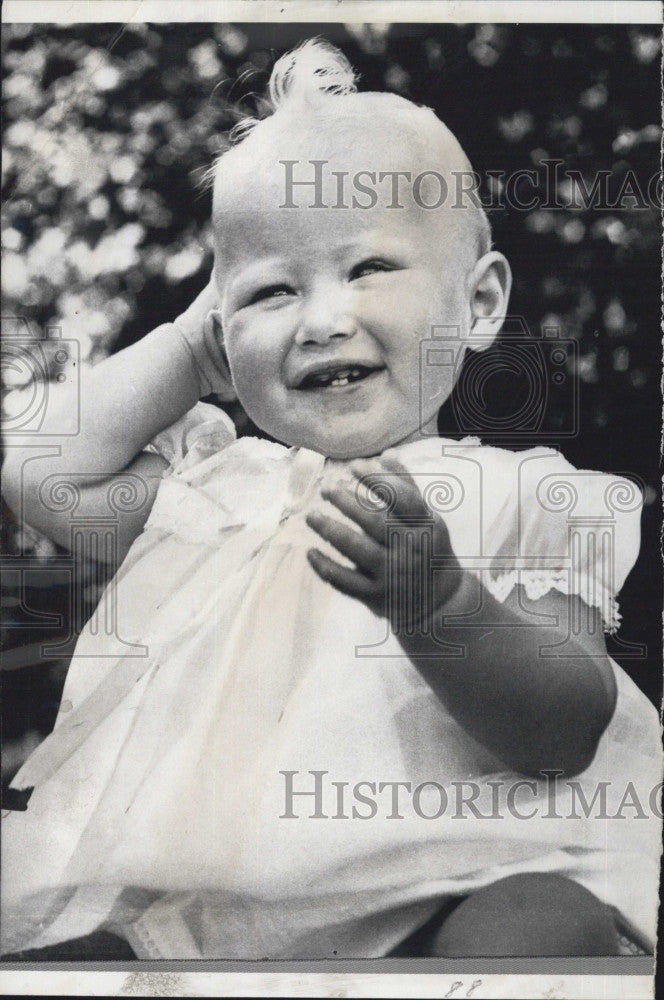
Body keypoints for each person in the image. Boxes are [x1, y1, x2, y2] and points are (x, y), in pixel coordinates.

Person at [1, 39, 660, 960]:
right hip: (203, 916)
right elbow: (36, 469)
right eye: (272, 291)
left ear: (479, 303)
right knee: (57, 948)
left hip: (445, 893)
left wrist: (441, 605)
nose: (320, 319)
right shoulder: (217, 495)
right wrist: (195, 347)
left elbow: (565, 728)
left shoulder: (525, 494)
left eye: (367, 269)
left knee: (539, 921)